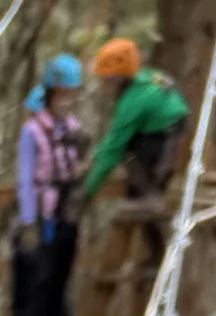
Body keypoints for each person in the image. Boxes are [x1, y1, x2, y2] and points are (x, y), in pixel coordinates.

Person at [3, 55, 88, 316]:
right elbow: (26, 179)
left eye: (72, 94)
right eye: (63, 94)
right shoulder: (32, 132)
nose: (69, 101)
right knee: (39, 286)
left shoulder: (73, 130)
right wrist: (28, 222)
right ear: (51, 93)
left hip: (68, 213)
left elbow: (76, 167)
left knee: (59, 287)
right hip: (43, 216)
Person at [81, 34, 191, 205]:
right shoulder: (146, 77)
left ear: (117, 80)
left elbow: (114, 149)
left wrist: (87, 190)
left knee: (138, 183)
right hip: (168, 130)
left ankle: (147, 191)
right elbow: (112, 139)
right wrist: (94, 159)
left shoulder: (132, 103)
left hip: (162, 141)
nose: (102, 87)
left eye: (104, 81)